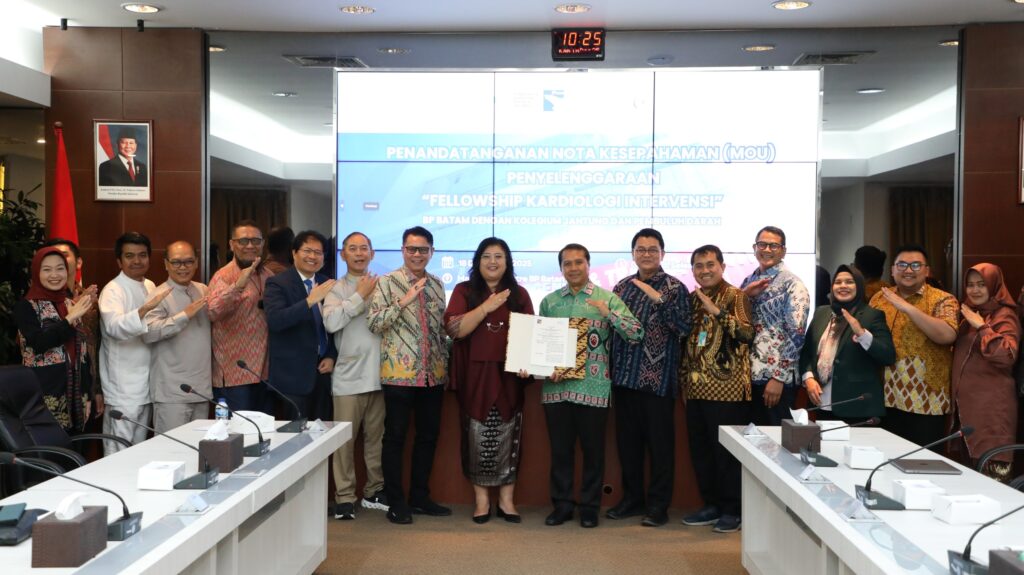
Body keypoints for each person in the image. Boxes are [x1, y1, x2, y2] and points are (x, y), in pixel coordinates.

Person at [540, 243, 643, 529]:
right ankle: (562, 506)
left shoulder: (606, 298)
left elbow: (636, 333)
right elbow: (540, 344)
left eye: (578, 262)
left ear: (588, 265)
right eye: (567, 263)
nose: (573, 268)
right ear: (561, 268)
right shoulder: (549, 302)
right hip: (556, 389)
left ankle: (589, 507)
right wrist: (538, 367)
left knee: (594, 452)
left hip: (593, 388)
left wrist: (608, 313)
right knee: (560, 452)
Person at [443, 237, 534, 524]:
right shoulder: (464, 291)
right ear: (477, 261)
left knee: (509, 434)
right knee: (476, 436)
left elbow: (531, 337)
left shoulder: (519, 294)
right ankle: (481, 502)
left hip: (509, 376)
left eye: (498, 256)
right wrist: (486, 306)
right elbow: (455, 330)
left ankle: (507, 501)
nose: (492, 262)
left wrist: (528, 363)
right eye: (486, 256)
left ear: (507, 262)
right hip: (475, 376)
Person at [367, 226, 451, 525]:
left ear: (431, 252)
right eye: (412, 249)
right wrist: (403, 301)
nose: (417, 254)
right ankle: (396, 502)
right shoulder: (387, 282)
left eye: (423, 249)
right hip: (398, 375)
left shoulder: (437, 284)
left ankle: (419, 497)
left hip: (433, 375)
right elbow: (374, 323)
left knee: (428, 437)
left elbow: (440, 331)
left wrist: (447, 365)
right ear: (403, 250)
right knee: (395, 439)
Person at [607, 229, 690, 527]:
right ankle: (632, 500)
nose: (646, 254)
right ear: (633, 254)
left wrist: (660, 301)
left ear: (662, 254)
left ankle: (658, 506)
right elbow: (611, 328)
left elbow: (684, 328)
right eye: (640, 249)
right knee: (628, 446)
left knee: (660, 448)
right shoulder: (621, 287)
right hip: (625, 379)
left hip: (658, 382)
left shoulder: (675, 288)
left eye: (652, 249)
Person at [679, 245, 754, 534]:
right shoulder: (691, 299)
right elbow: (687, 344)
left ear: (722, 266)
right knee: (702, 453)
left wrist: (718, 312)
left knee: (726, 455)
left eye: (710, 264)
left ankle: (732, 510)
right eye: (699, 266)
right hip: (696, 390)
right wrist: (684, 382)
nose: (705, 270)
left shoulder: (737, 296)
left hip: (729, 391)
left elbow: (747, 333)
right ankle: (711, 505)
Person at [323, 232, 386, 520]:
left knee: (377, 441)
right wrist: (359, 295)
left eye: (364, 248)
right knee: (344, 444)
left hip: (381, 377)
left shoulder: (384, 285)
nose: (359, 253)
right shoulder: (336, 289)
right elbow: (332, 322)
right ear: (343, 254)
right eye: (353, 248)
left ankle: (374, 491)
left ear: (372, 254)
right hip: (348, 379)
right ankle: (345, 497)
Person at [868, 244, 958, 447]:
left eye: (916, 265)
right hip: (884, 399)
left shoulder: (943, 299)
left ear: (927, 271)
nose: (908, 270)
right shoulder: (879, 298)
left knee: (923, 462)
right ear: (893, 270)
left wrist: (907, 307)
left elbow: (947, 335)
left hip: (926, 402)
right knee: (884, 459)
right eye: (902, 265)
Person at [98, 232, 168, 453]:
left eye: (142, 255)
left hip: (147, 383)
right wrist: (144, 310)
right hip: (123, 387)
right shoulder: (113, 289)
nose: (137, 261)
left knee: (138, 451)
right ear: (119, 261)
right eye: (129, 256)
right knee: (118, 450)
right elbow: (114, 327)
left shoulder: (150, 285)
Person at [14, 247, 96, 432]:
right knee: (49, 446)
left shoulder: (70, 303)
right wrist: (70, 318)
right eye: (47, 269)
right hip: (44, 394)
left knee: (77, 447)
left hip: (77, 397)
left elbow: (83, 354)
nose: (54, 275)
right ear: (36, 273)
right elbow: (39, 343)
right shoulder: (26, 306)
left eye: (60, 268)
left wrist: (88, 394)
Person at [951, 263, 1019, 481]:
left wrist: (982, 327)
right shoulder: (968, 316)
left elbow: (1007, 355)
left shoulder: (1005, 316)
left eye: (982, 284)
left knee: (993, 479)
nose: (975, 290)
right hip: (966, 411)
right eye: (970, 285)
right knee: (966, 482)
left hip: (992, 412)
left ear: (994, 286)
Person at [800, 265, 895, 422]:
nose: (843, 286)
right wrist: (808, 378)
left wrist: (862, 334)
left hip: (857, 406)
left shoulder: (872, 316)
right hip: (821, 403)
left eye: (849, 282)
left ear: (859, 286)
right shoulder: (821, 312)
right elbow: (807, 352)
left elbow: (888, 356)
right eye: (838, 282)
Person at [264, 230, 337, 422]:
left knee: (323, 432)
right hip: (293, 377)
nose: (312, 256)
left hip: (323, 373)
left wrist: (331, 355)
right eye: (307, 251)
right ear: (294, 253)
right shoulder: (277, 283)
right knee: (296, 435)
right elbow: (276, 321)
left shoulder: (326, 283)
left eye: (318, 252)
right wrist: (309, 301)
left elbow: (333, 326)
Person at [740, 226, 810, 426]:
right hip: (747, 377)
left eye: (773, 246)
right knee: (750, 439)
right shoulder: (748, 281)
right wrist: (744, 295)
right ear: (754, 248)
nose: (767, 250)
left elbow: (797, 334)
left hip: (776, 379)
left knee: (776, 439)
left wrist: (779, 377)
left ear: (783, 251)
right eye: (762, 244)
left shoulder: (792, 284)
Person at [142, 241, 212, 433]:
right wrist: (183, 316)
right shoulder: (158, 295)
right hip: (172, 393)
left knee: (199, 447)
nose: (183, 267)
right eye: (176, 262)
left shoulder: (203, 290)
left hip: (201, 389)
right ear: (166, 264)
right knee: (171, 448)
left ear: (196, 263)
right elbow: (148, 333)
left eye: (189, 261)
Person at [207, 220, 275, 413]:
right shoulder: (223, 276)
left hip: (264, 371)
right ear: (232, 244)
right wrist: (238, 286)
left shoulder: (268, 274)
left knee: (264, 429)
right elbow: (212, 312)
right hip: (234, 374)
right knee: (238, 430)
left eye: (256, 241)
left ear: (263, 244)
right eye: (243, 241)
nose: (250, 246)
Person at [41, 238, 104, 420]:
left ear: (78, 262)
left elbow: (95, 345)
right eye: (52, 256)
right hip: (52, 387)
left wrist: (96, 389)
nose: (58, 260)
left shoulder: (89, 300)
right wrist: (72, 310)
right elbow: (34, 344)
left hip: (84, 386)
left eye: (64, 255)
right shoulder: (37, 301)